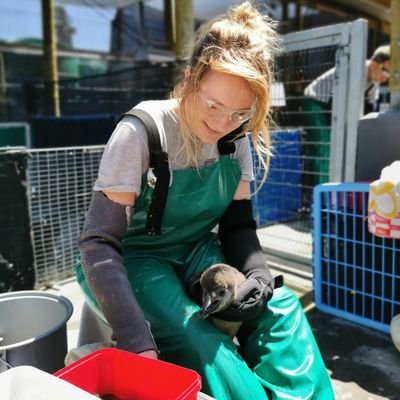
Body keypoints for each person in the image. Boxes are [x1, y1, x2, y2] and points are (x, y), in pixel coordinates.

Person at [76, 2, 334, 399]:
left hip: (197, 249)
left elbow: (238, 227)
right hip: (133, 258)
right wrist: (134, 337)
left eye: (238, 113)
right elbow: (99, 244)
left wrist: (260, 279)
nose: (220, 123)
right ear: (188, 79)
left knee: (281, 308)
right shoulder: (143, 131)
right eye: (212, 104)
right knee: (197, 337)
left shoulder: (238, 139)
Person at [302, 44, 390, 187]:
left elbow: (368, 108)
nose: (386, 78)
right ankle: (323, 198)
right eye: (385, 72)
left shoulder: (374, 83)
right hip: (316, 101)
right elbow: (345, 103)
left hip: (335, 107)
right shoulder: (356, 69)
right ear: (374, 64)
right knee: (324, 148)